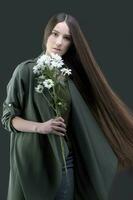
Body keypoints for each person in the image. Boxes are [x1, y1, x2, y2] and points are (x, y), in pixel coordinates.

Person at [1, 12, 133, 200]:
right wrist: (40, 127)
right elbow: (8, 119)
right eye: (55, 34)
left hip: (65, 162)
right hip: (33, 164)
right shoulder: (25, 71)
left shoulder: (68, 78)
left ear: (72, 44)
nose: (59, 42)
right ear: (46, 34)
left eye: (67, 38)